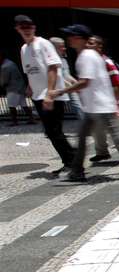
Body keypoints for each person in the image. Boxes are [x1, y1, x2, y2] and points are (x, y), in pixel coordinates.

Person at [51, 25, 119, 182]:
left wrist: (60, 91)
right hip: (95, 106)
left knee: (118, 137)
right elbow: (90, 83)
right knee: (85, 138)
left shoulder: (86, 56)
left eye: (72, 36)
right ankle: (77, 170)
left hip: (101, 106)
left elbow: (85, 82)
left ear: (80, 39)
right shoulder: (90, 55)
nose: (69, 39)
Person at [15, 15, 75, 175]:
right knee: (51, 131)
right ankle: (70, 159)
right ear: (18, 29)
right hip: (37, 96)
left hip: (51, 95)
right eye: (23, 27)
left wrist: (49, 94)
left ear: (34, 28)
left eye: (29, 27)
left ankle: (72, 161)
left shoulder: (43, 44)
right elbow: (30, 71)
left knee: (54, 131)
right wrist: (29, 86)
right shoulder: (23, 49)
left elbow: (53, 68)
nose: (26, 30)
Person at [86, 35, 119, 164]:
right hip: (96, 104)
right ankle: (102, 153)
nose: (87, 45)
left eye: (91, 43)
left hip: (109, 103)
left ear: (99, 46)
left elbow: (116, 83)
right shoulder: (90, 61)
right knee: (97, 130)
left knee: (116, 131)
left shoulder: (106, 62)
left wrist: (117, 102)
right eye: (87, 43)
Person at [50, 37, 83, 120]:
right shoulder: (51, 61)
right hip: (57, 89)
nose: (64, 48)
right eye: (61, 47)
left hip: (67, 87)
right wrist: (73, 87)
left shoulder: (63, 60)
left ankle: (86, 124)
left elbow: (66, 75)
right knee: (57, 111)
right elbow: (58, 77)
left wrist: (76, 83)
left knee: (78, 105)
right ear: (53, 48)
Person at [0, 49, 34, 126]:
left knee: (11, 106)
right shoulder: (10, 63)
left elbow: (4, 81)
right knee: (24, 104)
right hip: (20, 87)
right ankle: (31, 118)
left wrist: (2, 86)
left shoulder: (5, 67)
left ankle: (15, 121)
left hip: (13, 89)